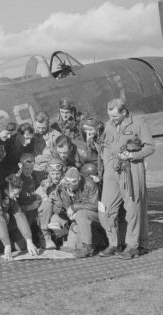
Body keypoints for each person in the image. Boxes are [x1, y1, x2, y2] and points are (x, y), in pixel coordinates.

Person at [98, 98, 155, 259]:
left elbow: (150, 147)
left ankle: (132, 246)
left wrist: (133, 155)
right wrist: (107, 164)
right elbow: (106, 146)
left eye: (115, 116)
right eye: (109, 115)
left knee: (133, 210)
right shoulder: (109, 125)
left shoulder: (138, 124)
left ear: (124, 112)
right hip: (112, 170)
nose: (111, 119)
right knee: (105, 209)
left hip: (131, 169)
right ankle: (114, 244)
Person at [51, 167, 103, 258]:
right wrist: (68, 212)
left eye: (74, 182)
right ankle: (97, 239)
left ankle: (88, 246)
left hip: (96, 216)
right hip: (77, 218)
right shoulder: (62, 187)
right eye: (68, 181)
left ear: (79, 179)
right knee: (73, 246)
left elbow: (95, 206)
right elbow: (65, 207)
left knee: (81, 214)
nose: (70, 184)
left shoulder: (89, 183)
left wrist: (74, 207)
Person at [0, 173, 39, 257]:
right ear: (8, 190)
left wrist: (29, 240)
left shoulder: (11, 197)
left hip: (5, 229)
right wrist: (7, 245)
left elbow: (19, 215)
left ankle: (10, 242)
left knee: (21, 246)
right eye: (15, 194)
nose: (17, 196)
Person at [35, 157, 66, 249]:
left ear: (62, 173)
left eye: (58, 173)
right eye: (52, 174)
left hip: (62, 215)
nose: (55, 176)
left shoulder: (67, 183)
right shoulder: (45, 184)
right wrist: (44, 191)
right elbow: (37, 203)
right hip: (46, 217)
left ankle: (65, 237)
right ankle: (45, 236)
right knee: (47, 203)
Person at [14, 153, 43, 246]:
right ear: (20, 165)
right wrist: (29, 207)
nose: (29, 171)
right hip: (20, 216)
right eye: (26, 169)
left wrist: (39, 197)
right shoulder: (15, 180)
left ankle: (43, 235)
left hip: (33, 214)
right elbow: (13, 209)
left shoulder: (34, 177)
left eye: (31, 168)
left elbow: (37, 192)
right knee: (20, 247)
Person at [32, 110, 60, 176]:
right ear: (34, 123)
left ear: (48, 124)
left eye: (43, 128)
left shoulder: (56, 136)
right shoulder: (30, 134)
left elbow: (60, 157)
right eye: (38, 127)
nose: (40, 130)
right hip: (33, 168)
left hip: (50, 169)